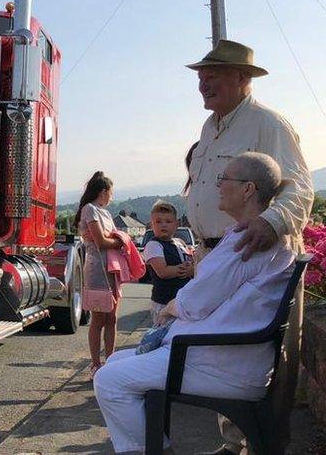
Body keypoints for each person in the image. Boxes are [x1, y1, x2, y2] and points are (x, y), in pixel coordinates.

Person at [94, 152, 297, 454]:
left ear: (247, 189)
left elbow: (195, 302)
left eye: (224, 178)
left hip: (218, 362)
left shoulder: (250, 242)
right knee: (113, 363)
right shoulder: (251, 235)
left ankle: (155, 450)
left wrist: (170, 307)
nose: (217, 185)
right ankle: (154, 447)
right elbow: (205, 294)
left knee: (108, 380)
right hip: (221, 354)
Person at [185, 40, 313, 455]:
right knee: (224, 354)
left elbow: (300, 190)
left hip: (254, 256)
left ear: (242, 79)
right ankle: (233, 442)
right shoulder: (210, 128)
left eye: (213, 74)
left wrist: (272, 221)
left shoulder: (267, 123)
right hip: (217, 256)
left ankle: (267, 445)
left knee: (268, 358)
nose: (203, 83)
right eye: (201, 76)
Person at [74, 171, 124, 377]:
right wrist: (121, 241)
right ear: (104, 191)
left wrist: (114, 240)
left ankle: (110, 361)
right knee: (98, 318)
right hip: (96, 270)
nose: (112, 197)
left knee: (111, 318)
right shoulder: (90, 209)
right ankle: (95, 364)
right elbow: (102, 242)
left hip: (111, 269)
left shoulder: (105, 213)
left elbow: (105, 239)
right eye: (111, 193)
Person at [142, 200, 194, 326]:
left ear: (176, 224)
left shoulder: (180, 243)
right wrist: (184, 270)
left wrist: (192, 269)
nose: (163, 225)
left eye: (168, 221)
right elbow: (163, 272)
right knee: (165, 337)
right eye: (158, 222)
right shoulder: (153, 245)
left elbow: (191, 262)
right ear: (151, 225)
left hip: (181, 301)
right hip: (163, 303)